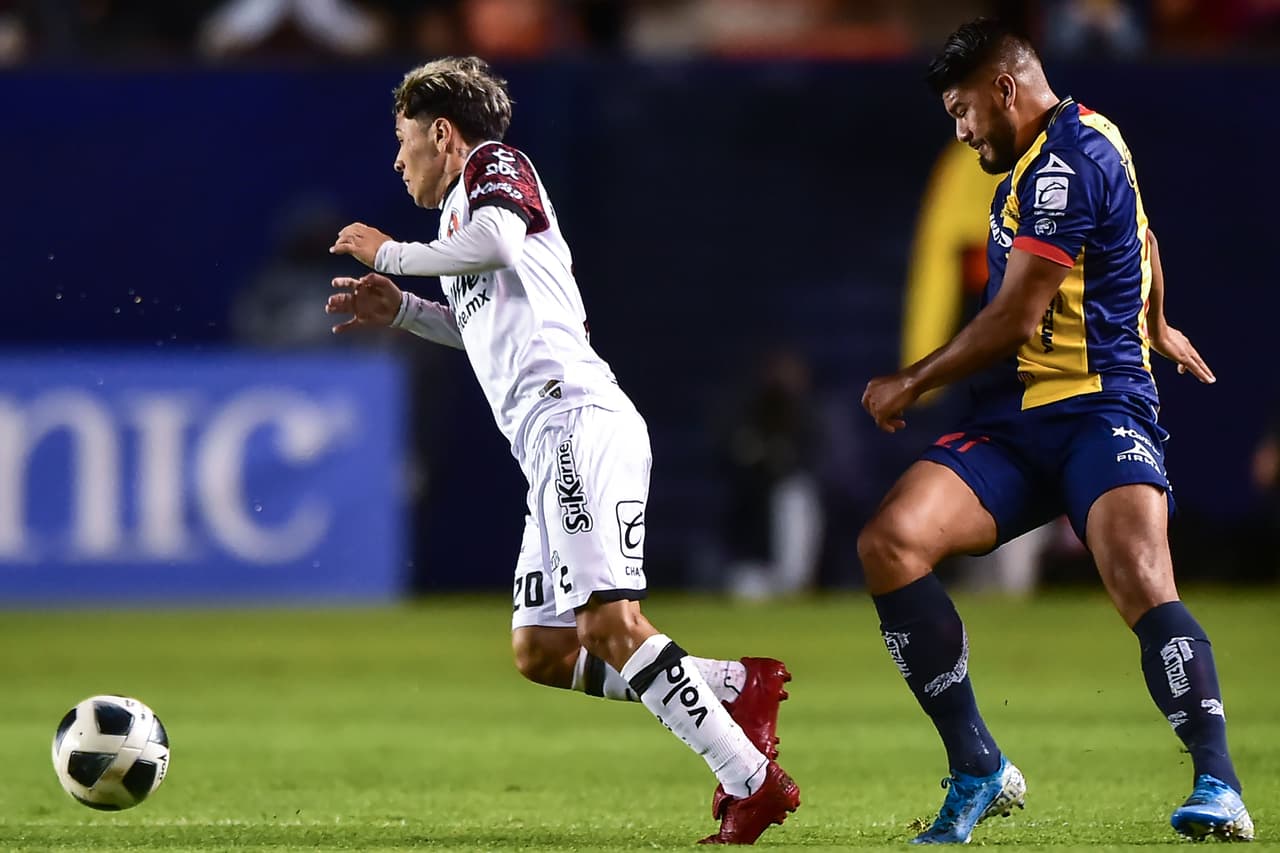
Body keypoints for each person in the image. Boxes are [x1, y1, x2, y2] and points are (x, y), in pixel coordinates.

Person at [323, 56, 799, 844]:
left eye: (403, 140)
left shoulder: (493, 167)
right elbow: (482, 323)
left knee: (612, 623)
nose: (397, 158)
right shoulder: (459, 225)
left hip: (575, 422)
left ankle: (752, 781)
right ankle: (738, 683)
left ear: (443, 133)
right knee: (542, 647)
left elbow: (499, 245)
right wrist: (407, 308)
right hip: (548, 443)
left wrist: (389, 254)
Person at [858, 18, 1251, 844]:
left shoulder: (1066, 164)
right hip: (1018, 421)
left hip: (1102, 408)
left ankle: (1219, 783)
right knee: (890, 543)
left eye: (963, 110)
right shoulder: (1078, 144)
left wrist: (913, 379)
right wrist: (1159, 315)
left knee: (1143, 579)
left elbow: (1014, 315)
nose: (961, 131)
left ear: (1005, 89)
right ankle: (978, 768)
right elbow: (1142, 233)